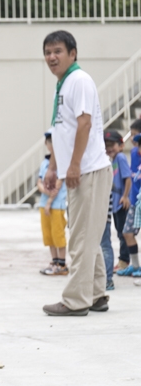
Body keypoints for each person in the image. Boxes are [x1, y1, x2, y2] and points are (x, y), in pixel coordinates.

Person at [42, 30, 112, 316]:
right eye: (47, 52)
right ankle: (95, 295)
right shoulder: (64, 84)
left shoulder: (78, 81)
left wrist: (73, 166)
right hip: (79, 170)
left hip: (89, 170)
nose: (51, 57)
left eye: (57, 51)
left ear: (73, 53)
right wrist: (53, 166)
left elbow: (84, 125)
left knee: (81, 237)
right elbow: (63, 130)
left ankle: (75, 301)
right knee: (88, 235)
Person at [37, 129, 68, 276]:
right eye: (50, 142)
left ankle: (62, 264)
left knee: (58, 235)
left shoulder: (62, 162)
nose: (52, 145)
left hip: (56, 205)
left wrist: (49, 200)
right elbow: (39, 182)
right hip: (44, 205)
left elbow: (59, 184)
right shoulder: (45, 163)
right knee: (48, 236)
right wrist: (45, 192)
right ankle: (54, 262)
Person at [104, 130, 132, 271]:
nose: (109, 148)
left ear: (121, 145)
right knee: (120, 232)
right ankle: (124, 260)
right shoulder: (113, 160)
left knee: (123, 233)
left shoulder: (120, 157)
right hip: (115, 203)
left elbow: (128, 178)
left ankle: (124, 261)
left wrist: (125, 196)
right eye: (106, 145)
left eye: (112, 144)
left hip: (121, 202)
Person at [118, 121, 141, 277]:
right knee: (127, 232)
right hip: (135, 201)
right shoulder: (133, 153)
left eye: (134, 135)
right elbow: (133, 176)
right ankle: (135, 266)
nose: (131, 138)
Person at [101, 192, 115, 290]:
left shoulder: (103, 177)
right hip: (97, 217)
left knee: (105, 247)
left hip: (103, 218)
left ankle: (108, 279)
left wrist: (104, 214)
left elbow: (105, 196)